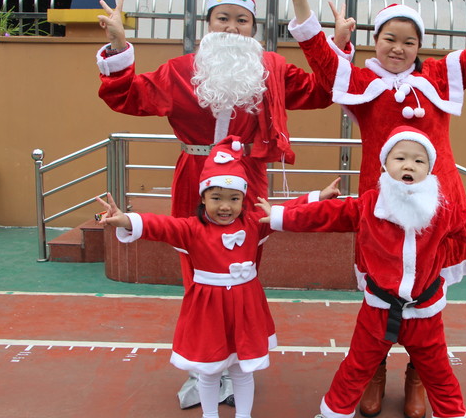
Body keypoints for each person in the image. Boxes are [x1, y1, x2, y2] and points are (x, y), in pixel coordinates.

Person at [283, 0, 466, 418]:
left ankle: (418, 375)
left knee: (427, 297)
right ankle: (374, 371)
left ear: (419, 47)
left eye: (409, 41)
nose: (399, 48)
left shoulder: (438, 79)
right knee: (383, 293)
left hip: (438, 210)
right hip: (382, 210)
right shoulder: (362, 83)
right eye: (390, 38)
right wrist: (301, 4)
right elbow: (324, 62)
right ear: (376, 40)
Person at [95, 0, 349, 408]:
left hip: (248, 180)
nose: (232, 28)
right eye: (222, 19)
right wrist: (119, 45)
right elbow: (127, 97)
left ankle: (235, 360)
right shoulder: (181, 71)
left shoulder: (270, 68)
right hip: (195, 179)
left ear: (254, 27)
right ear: (207, 25)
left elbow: (320, 91)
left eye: (241, 20)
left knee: (244, 269)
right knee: (197, 275)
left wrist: (337, 46)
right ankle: (203, 366)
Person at [258, 126, 466, 418]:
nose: (409, 165)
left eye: (419, 160)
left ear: (430, 170)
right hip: (379, 310)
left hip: (425, 312)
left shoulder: (441, 209)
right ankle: (335, 411)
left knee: (438, 371)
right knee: (357, 365)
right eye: (400, 158)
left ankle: (449, 412)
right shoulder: (369, 205)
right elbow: (327, 214)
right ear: (385, 164)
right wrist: (283, 215)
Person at [96, 135, 341, 418]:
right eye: (217, 198)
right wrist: (125, 219)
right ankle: (209, 414)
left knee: (242, 369)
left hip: (246, 307)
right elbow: (158, 225)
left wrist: (318, 197)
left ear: (243, 199)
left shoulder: (253, 223)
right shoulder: (191, 229)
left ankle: (243, 415)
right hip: (208, 308)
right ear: (203, 197)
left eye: (234, 199)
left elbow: (288, 210)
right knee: (209, 370)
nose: (225, 206)